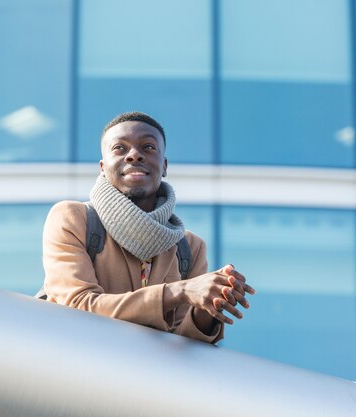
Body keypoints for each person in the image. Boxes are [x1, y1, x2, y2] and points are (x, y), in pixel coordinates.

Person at [42, 111, 255, 343]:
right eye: (119, 149)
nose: (134, 155)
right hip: (75, 371)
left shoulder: (190, 247)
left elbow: (184, 344)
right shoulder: (73, 217)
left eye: (148, 148)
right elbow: (78, 307)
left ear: (164, 166)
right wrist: (180, 292)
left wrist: (211, 302)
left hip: (142, 377)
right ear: (103, 167)